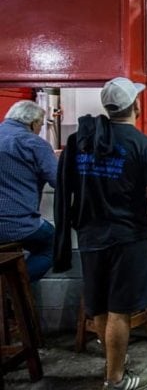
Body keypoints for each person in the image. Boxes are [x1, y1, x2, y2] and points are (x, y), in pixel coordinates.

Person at [54, 77, 147, 390]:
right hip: (127, 236)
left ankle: (113, 364)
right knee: (119, 310)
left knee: (100, 307)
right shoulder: (143, 144)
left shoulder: (81, 140)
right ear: (136, 105)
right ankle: (115, 378)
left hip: (90, 236)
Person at [0, 100, 57, 282]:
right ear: (33, 123)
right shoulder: (34, 143)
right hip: (17, 225)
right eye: (41, 125)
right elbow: (58, 181)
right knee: (55, 244)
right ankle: (14, 290)